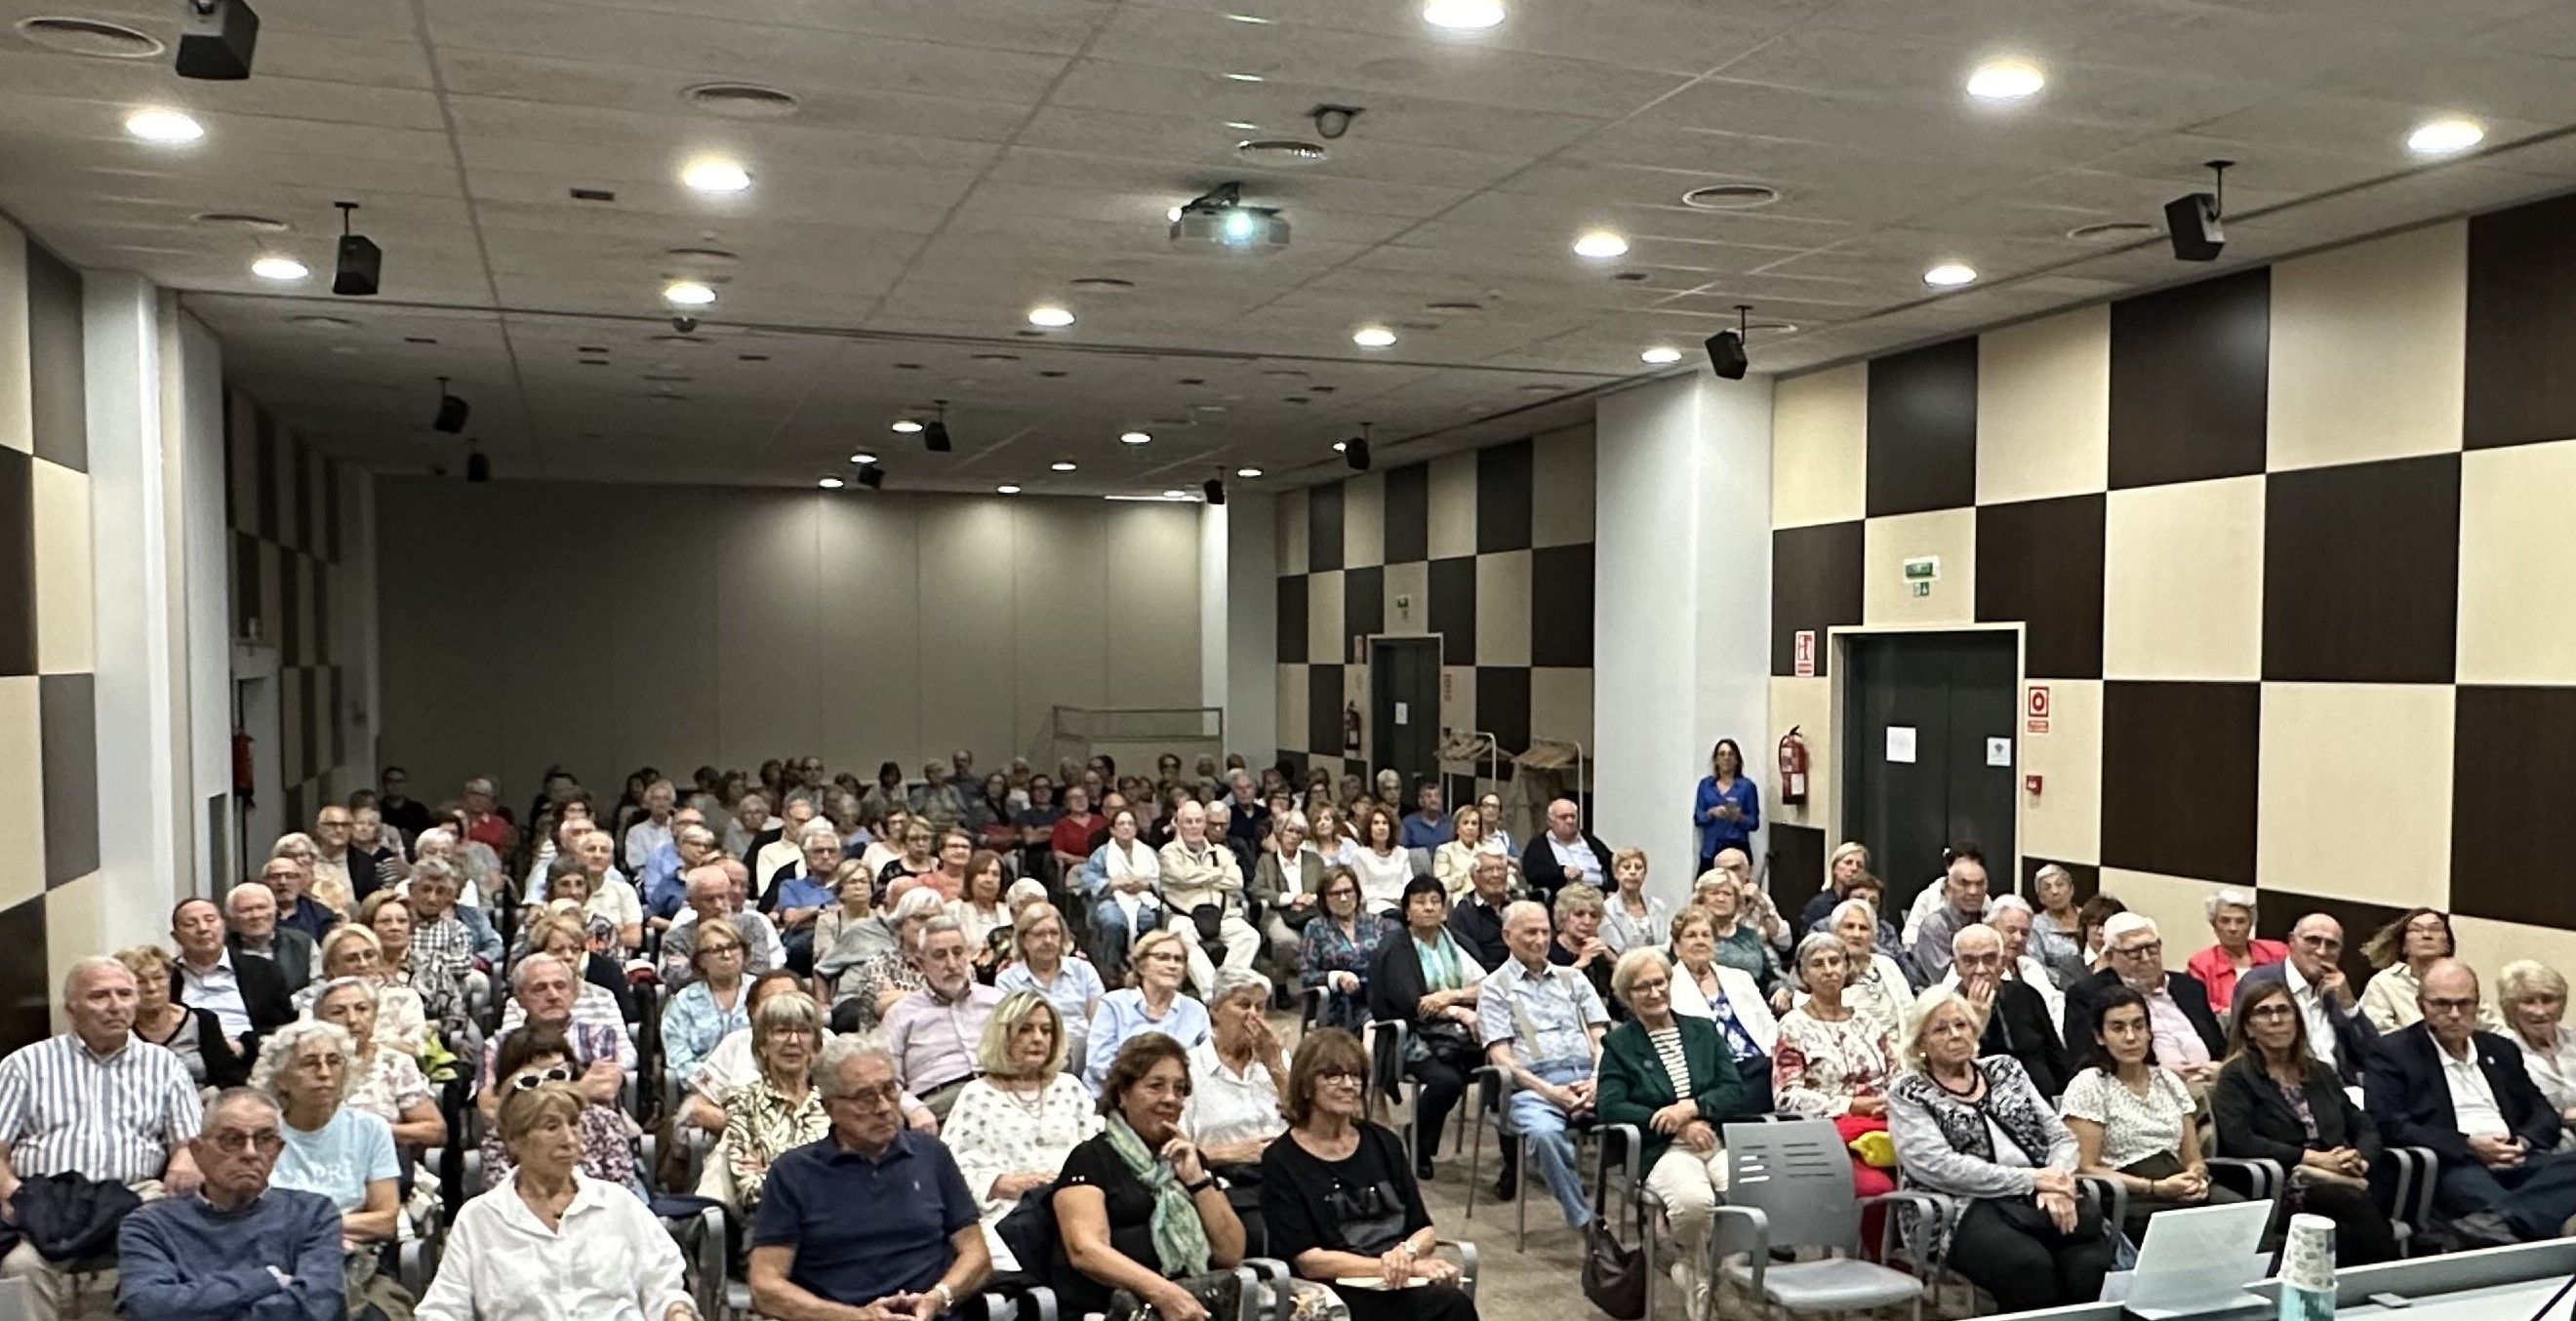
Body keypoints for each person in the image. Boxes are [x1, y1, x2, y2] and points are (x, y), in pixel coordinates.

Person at [0, 958, 204, 1321]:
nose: (115, 1005)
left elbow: (188, 1144)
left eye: (125, 994)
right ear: (71, 1009)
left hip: (138, 1195)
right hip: (50, 1200)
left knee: (167, 1254)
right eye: (99, 996)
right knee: (21, 1266)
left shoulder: (165, 1065)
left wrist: (184, 1160)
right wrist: (9, 1192)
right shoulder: (24, 1065)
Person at [1888, 989, 2110, 1313]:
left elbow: (2060, 1137)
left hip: (2039, 1195)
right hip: (1957, 1206)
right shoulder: (1909, 1092)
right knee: (2027, 1266)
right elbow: (1939, 1167)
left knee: (2090, 1265)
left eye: (1961, 1025)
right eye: (1940, 1029)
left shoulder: (2006, 1070)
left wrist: (2058, 1181)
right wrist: (2032, 1180)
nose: (1954, 1035)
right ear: (1920, 1043)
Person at [421, 1082, 696, 1321]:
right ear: (515, 1141)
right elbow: (444, 1308)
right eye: (552, 1127)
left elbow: (663, 1284)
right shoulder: (479, 1219)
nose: (569, 1139)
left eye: (574, 1124)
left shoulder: (618, 1204)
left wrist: (676, 1311)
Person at [1263, 1030, 1475, 1321]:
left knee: (1449, 1302)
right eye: (1333, 1076)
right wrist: (1396, 1266)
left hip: (1399, 1279)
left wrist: (1407, 1253)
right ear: (1306, 1086)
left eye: (1356, 1075)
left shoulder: (1383, 1143)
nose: (1348, 1085)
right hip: (1335, 1290)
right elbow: (1310, 1261)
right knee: (1447, 1305)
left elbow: (1424, 1230)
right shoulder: (1282, 1160)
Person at [2362, 959, 2576, 1246]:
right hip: (2453, 1163)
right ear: (2422, 1004)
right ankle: (2511, 1219)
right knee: (2538, 1211)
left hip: (2519, 1157)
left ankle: (2497, 1220)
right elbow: (2389, 1124)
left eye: (2464, 1004)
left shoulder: (2499, 1049)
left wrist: (2522, 1142)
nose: (2454, 1014)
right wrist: (2470, 1146)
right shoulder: (2394, 1052)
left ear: (2477, 1005)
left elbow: (2543, 1112)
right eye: (2442, 1004)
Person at [1054, 1036, 1264, 1321]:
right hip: (1119, 1308)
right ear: (1122, 1094)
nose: (1170, 1098)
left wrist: (1197, 1180)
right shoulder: (1092, 1158)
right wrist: (1164, 1293)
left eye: (1179, 1089)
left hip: (1195, 1303)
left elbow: (1230, 1252)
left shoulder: (1186, 1157)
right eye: (1156, 1086)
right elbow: (1085, 1250)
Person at [1598, 948, 1753, 1317]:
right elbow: (1610, 1106)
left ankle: (1698, 1267)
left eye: (1660, 983)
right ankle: (1704, 1277)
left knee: (1750, 1187)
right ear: (1627, 995)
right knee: (1695, 1202)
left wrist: (1693, 1108)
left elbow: (1734, 1088)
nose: (1654, 993)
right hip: (1662, 1149)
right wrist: (1673, 1122)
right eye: (1642, 987)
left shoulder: (1701, 1030)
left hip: (1712, 1140)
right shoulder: (1619, 1044)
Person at [2210, 978, 2400, 1264]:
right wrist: (2312, 1158)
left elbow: (2362, 1124)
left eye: (2284, 1011)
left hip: (2339, 1173)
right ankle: (2393, 1277)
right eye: (2264, 1012)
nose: (2276, 1020)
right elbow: (2240, 1140)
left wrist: (2358, 1158)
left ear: (2297, 1020)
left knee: (2350, 1226)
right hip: (2284, 1181)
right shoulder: (2236, 1076)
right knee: (2354, 1201)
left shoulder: (2319, 1072)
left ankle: (2361, 1296)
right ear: (2248, 1028)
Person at [115, 1087, 344, 1321]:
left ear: (277, 1151)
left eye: (265, 1140)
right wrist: (267, 1279)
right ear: (198, 1151)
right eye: (232, 1140)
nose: (250, 1153)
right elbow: (151, 1308)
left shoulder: (314, 1213)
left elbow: (318, 1307)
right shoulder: (149, 1225)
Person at [2058, 985, 2236, 1237]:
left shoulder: (2168, 1080)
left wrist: (2195, 1176)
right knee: (2197, 1229)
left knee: (2243, 1213)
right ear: (2100, 1036)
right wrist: (2154, 1187)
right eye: (2118, 1028)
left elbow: (2193, 1158)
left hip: (2174, 1179)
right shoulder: (2090, 1083)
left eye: (2139, 1026)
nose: (2131, 1037)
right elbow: (2085, 1168)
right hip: (2129, 1194)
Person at [1475, 901, 1609, 1226]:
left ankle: (1653, 1214)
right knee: (1544, 1133)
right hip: (1533, 1088)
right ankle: (1585, 1221)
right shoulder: (1494, 988)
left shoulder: (1573, 979)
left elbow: (1601, 1038)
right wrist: (1552, 1092)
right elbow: (1501, 1058)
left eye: (1545, 932)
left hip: (1588, 1079)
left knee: (1644, 1115)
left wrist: (1597, 1079)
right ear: (1507, 936)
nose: (1539, 940)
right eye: (1529, 932)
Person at [946, 993, 1102, 1272]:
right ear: (1004, 1036)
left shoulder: (1070, 1087)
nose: (1038, 1038)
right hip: (1008, 1213)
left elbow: (1097, 1149)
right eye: (1026, 1029)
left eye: (1046, 1030)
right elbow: (952, 1172)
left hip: (1074, 1209)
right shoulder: (977, 1096)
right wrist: (1000, 1183)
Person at [252, 1021, 403, 1279]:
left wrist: (306, 1228)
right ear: (282, 1079)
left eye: (334, 1062)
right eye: (310, 1063)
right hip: (271, 1261)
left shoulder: (371, 1129)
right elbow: (253, 1221)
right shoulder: (259, 1135)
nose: (324, 1073)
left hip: (352, 1262)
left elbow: (385, 1221)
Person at [1367, 876, 1486, 1181]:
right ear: (1407, 911)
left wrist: (1452, 997)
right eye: (1420, 902)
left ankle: (1509, 1165)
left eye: (1435, 901)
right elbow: (1412, 1002)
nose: (1429, 908)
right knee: (1447, 1081)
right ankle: (1419, 1143)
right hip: (1410, 1035)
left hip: (1457, 1036)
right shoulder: (1396, 946)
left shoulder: (1455, 942)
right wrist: (1459, 1011)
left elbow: (1487, 986)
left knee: (1499, 1067)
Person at [2063, 913, 2223, 1087]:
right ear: (2110, 957)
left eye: (2151, 948)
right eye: (2134, 952)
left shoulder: (2190, 987)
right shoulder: (2088, 994)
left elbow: (2220, 1046)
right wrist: (2156, 1073)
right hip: (2143, 1089)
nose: (2147, 958)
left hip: (2213, 1086)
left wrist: (2221, 1069)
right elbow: (2088, 1061)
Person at [479, 953, 631, 1129]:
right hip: (521, 1141)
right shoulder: (497, 1045)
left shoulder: (599, 1035)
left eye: (560, 986)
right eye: (540, 988)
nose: (553, 995)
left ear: (574, 993)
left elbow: (605, 1092)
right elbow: (489, 1110)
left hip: (589, 1132)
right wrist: (581, 1089)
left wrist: (522, 1103)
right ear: (519, 999)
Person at [2233, 913, 2378, 1087]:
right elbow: (2245, 1047)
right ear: (2291, 941)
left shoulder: (2336, 990)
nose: (2322, 951)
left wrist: (2350, 1006)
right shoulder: (2260, 983)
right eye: (2313, 940)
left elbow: (2373, 1055)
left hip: (2341, 1090)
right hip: (2283, 1087)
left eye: (2332, 944)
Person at [883, 918, 1007, 1120]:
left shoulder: (997, 1001)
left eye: (958, 953)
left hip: (1001, 1095)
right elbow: (888, 1081)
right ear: (920, 963)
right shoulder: (900, 1014)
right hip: (941, 1105)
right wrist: (915, 1110)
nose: (951, 964)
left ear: (968, 954)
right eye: (940, 955)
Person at [1773, 934, 1900, 1130]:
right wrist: (1849, 1106)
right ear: (1803, 974)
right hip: (1827, 1127)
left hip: (1884, 1118)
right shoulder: (1793, 1026)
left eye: (1834, 962)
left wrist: (1888, 1103)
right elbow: (1786, 1096)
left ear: (1846, 967)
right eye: (1817, 964)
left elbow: (1896, 1074)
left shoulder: (1868, 1022)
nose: (1829, 970)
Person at [307, 976, 444, 1150]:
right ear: (320, 1022)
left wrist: (374, 1130)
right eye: (338, 1012)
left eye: (361, 1009)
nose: (352, 1019)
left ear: (374, 1016)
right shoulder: (303, 1067)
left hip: (382, 1161)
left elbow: (435, 1130)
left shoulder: (395, 1063)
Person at [721, 991, 827, 1212]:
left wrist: (770, 1172)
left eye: (804, 1031)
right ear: (762, 1044)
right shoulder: (744, 1102)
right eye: (782, 1031)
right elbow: (748, 1191)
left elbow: (856, 1176)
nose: (794, 1041)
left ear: (815, 1044)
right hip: (775, 1226)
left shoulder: (835, 1099)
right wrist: (823, 1180)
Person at [1664, 908, 1779, 1109]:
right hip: (1712, 1072)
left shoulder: (1739, 978)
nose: (1700, 940)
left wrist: (1774, 1058)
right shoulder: (1668, 985)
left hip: (1758, 1065)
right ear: (1676, 947)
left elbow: (1768, 1025)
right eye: (1691, 935)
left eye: (1706, 935)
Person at [1946, 923, 2070, 1099]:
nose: (1980, 970)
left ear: (2002, 963)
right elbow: (1951, 1073)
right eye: (1969, 961)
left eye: (1989, 959)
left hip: (2043, 1101)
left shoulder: (2025, 995)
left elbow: (2057, 1060)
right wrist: (1975, 1021)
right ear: (1957, 966)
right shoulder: (1945, 1009)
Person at [1186, 969, 1289, 1173]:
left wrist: (1275, 1067)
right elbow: (1175, 1150)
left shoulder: (1277, 1059)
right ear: (1214, 1010)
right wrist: (1232, 1153)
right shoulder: (1189, 1067)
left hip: (1285, 1173)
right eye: (1243, 1005)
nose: (1253, 1015)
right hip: (1224, 1178)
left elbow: (1307, 1122)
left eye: (1259, 1007)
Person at [1084, 929, 1214, 1091]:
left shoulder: (1196, 1010)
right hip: (1118, 1097)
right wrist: (1148, 1089)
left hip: (1180, 1100)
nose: (1172, 965)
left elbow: (1209, 1065)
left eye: (1178, 960)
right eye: (1162, 958)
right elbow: (1099, 1064)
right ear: (1141, 966)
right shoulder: (1114, 1004)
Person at [172, 896, 295, 1061]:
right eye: (190, 924)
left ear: (224, 926)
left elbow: (283, 1027)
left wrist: (245, 1046)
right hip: (189, 1061)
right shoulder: (167, 977)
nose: (202, 928)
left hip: (251, 1059)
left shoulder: (263, 970)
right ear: (176, 936)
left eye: (210, 920)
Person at [995, 903, 1107, 1072]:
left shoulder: (1083, 970)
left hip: (1084, 1057)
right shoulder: (1007, 980)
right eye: (1040, 934)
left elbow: (1100, 1024)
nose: (1048, 940)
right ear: (1024, 940)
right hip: (1034, 1057)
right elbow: (1011, 1033)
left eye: (1054, 933)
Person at [291, 924, 429, 1058]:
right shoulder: (315, 1004)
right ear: (330, 969)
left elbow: (416, 1049)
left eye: (369, 955)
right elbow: (308, 1047)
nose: (363, 964)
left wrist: (360, 1044)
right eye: (351, 959)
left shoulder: (403, 998)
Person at [119, 944, 243, 1090]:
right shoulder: (120, 1027)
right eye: (140, 981)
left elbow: (230, 1078)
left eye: (158, 978)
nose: (152, 987)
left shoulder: (202, 1021)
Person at [829, 885, 943, 1035]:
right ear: (901, 923)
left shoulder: (953, 963)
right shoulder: (881, 964)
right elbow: (888, 1009)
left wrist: (904, 996)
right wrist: (940, 999)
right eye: (920, 918)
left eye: (934, 918)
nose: (927, 925)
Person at [2359, 908, 2490, 1033]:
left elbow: (2493, 1028)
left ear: (2448, 944)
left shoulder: (2462, 982)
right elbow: (2374, 1034)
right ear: (2404, 945)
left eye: (2435, 929)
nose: (2426, 935)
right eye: (2416, 929)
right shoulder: (2384, 983)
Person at [662, 915, 752, 1093]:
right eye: (717, 950)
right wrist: (719, 1089)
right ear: (701, 960)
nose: (727, 955)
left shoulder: (763, 993)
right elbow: (680, 1060)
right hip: (703, 1093)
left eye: (733, 947)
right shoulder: (683, 1003)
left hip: (758, 1090)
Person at [662, 863, 785, 990]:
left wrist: (710, 970)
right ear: (692, 903)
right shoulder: (676, 938)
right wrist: (729, 973)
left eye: (723, 897)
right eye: (709, 899)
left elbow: (759, 971)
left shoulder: (752, 925)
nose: (719, 905)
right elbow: (678, 979)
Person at [1807, 898, 1915, 1038]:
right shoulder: (1828, 972)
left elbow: (1910, 1010)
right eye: (1849, 927)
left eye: (1863, 928)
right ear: (1835, 932)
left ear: (1873, 936)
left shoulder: (1886, 964)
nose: (1856, 934)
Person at [1082, 807, 1165, 984]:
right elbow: (1088, 877)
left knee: (1148, 920)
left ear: (1136, 828)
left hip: (1142, 898)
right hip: (1111, 898)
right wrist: (1112, 884)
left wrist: (1146, 885)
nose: (1126, 827)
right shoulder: (1102, 853)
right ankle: (1113, 971)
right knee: (1113, 920)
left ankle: (1145, 969)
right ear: (1112, 829)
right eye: (1121, 824)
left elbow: (1163, 878)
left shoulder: (1149, 852)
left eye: (1130, 824)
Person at [1297, 867, 1383, 1033]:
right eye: (1335, 894)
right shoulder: (1316, 928)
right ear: (1324, 898)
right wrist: (1336, 977)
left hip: (1376, 998)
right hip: (1339, 1004)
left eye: (1348, 891)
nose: (1343, 898)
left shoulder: (1377, 923)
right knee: (1372, 1027)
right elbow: (1307, 976)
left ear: (1357, 892)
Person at [2501, 960, 2576, 1133]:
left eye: (2548, 1000)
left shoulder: (2573, 1039)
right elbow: (2518, 1113)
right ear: (2511, 1008)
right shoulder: (2503, 1052)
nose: (2540, 1011)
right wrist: (2564, 1115)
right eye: (2528, 1002)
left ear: (2562, 1004)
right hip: (2548, 1142)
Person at [2182, 888, 2287, 1011]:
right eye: (2225, 921)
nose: (2233, 928)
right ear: (2214, 924)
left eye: (2241, 921)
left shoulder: (2278, 952)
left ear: (2251, 924)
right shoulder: (2201, 964)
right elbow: (2196, 1004)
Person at [1251, 816, 1324, 979]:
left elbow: (1325, 888)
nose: (1293, 836)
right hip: (1276, 913)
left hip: (1311, 912)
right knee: (1286, 941)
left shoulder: (1314, 860)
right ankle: (1282, 981)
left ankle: (1314, 981)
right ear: (1279, 833)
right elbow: (1257, 890)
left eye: (1299, 832)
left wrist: (1309, 899)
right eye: (1289, 831)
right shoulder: (1266, 861)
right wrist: (1293, 899)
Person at [1984, 896, 2069, 1024]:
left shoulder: (2030, 966)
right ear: (1991, 929)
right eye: (2011, 930)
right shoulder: (1976, 969)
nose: (2018, 938)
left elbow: (2055, 1005)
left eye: (2024, 933)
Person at [224, 880, 318, 994]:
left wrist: (293, 1003)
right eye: (246, 910)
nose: (256, 915)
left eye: (262, 907)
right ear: (231, 917)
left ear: (275, 910)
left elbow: (321, 982)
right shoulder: (221, 951)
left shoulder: (303, 942)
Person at [1908, 851, 1989, 982]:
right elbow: (1944, 982)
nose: (1973, 891)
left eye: (1979, 884)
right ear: (1949, 889)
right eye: (1965, 884)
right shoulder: (1935, 926)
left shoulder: (1987, 922)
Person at [1694, 867, 1778, 995]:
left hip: (1751, 1003)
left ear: (1736, 901)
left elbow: (1771, 978)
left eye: (1727, 894)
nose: (1721, 899)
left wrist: (1781, 990)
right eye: (1714, 893)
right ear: (1701, 899)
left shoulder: (1750, 936)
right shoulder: (1691, 935)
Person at [1520, 797, 1611, 907]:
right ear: (1550, 821)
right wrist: (1562, 873)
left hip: (1599, 896)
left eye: (1572, 816)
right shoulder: (1538, 845)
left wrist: (1612, 890)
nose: (1570, 821)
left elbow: (1612, 864)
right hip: (1564, 900)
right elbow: (1532, 873)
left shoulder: (1590, 840)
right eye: (1564, 817)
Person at [1691, 739, 1759, 872]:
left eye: (1731, 754)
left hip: (1736, 851)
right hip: (1710, 851)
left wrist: (1738, 817)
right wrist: (1712, 813)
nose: (1726, 758)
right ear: (1716, 760)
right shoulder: (1705, 785)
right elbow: (1698, 818)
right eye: (1722, 754)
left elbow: (1754, 823)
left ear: (1737, 760)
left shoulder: (1747, 787)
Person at [1550, 885, 1618, 1011]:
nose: (1587, 921)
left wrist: (1613, 961)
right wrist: (1581, 963)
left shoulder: (1603, 950)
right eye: (1579, 914)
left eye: (1593, 915)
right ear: (1563, 916)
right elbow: (1547, 997)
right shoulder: (1548, 951)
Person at [948, 849, 1014, 974]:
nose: (989, 879)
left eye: (995, 874)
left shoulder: (1010, 912)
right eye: (983, 873)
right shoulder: (952, 911)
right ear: (970, 877)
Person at [1446, 851, 1513, 971]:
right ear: (1474, 877)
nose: (1496, 874)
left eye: (1501, 869)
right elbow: (1472, 962)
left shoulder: (1519, 904)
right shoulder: (1462, 914)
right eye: (1489, 870)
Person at [1599, 848, 1668, 956]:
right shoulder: (1605, 910)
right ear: (1616, 873)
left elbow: (1666, 945)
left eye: (1639, 867)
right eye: (1626, 867)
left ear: (1645, 874)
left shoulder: (1659, 906)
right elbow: (1619, 950)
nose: (1633, 872)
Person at [1348, 806, 1414, 917]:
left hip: (1400, 906)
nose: (1381, 827)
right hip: (1373, 908)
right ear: (1369, 829)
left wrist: (1399, 899)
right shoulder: (1359, 855)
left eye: (1385, 823)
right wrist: (1389, 898)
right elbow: (1362, 890)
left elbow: (1409, 884)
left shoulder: (1402, 853)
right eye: (1376, 823)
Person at [1795, 841, 1872, 934]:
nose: (1854, 868)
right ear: (1834, 867)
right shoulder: (1818, 906)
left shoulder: (1868, 903)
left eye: (1859, 865)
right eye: (1848, 862)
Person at [1428, 806, 1487, 901]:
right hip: (1458, 898)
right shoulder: (1445, 850)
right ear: (1457, 829)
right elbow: (1441, 884)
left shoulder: (1486, 851)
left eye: (1474, 823)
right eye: (1465, 823)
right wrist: (1464, 874)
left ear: (1479, 830)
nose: (1470, 827)